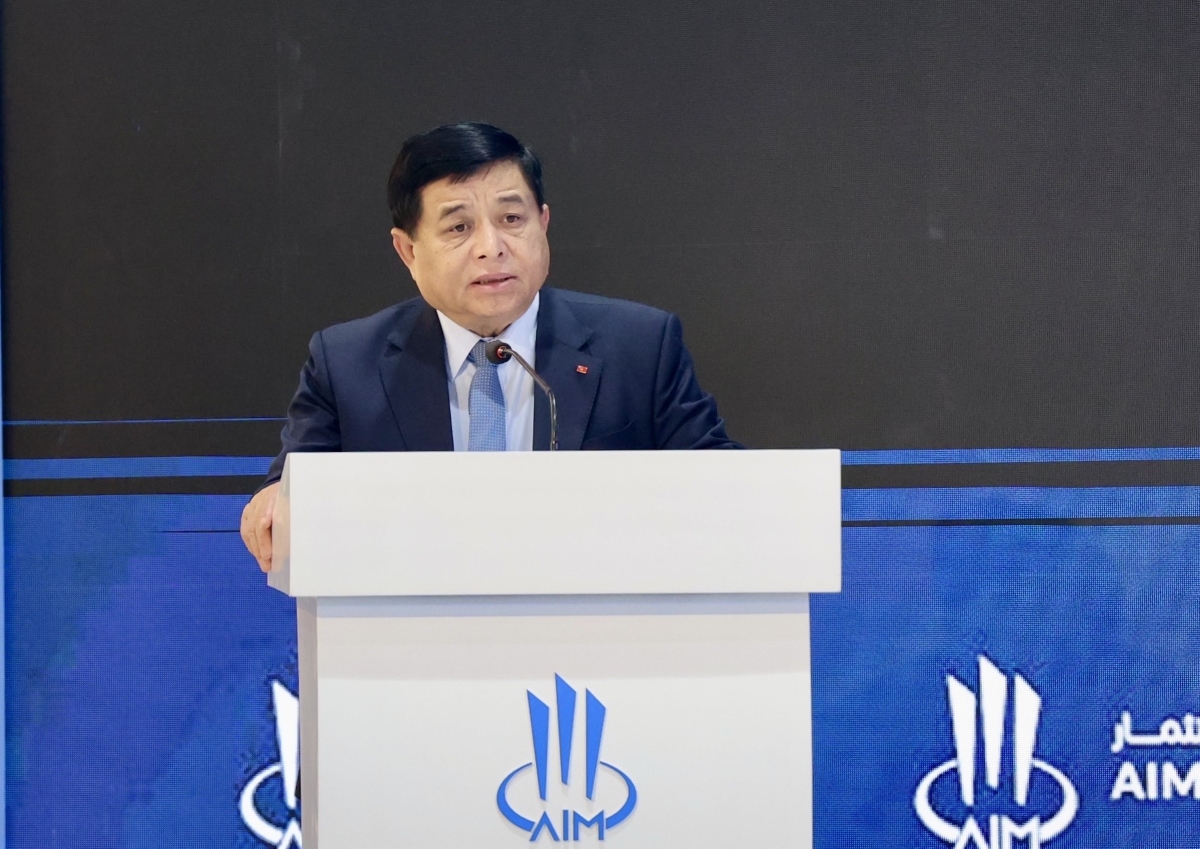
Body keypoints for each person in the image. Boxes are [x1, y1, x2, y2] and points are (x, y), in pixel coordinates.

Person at [240, 122, 737, 571]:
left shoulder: (640, 346)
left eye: (512, 219)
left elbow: (726, 489)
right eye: (459, 228)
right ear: (408, 251)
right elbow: (292, 488)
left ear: (543, 224)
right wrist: (273, 501)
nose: (491, 247)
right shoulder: (347, 363)